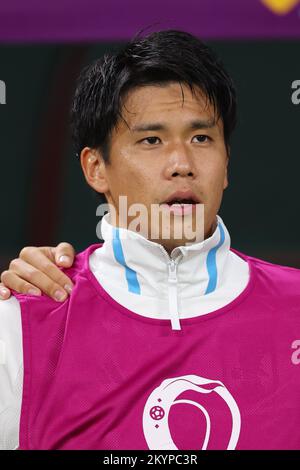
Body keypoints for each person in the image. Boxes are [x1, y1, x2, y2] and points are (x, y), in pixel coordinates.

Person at [1, 29, 300, 451]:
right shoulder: (21, 322)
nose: (182, 164)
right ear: (95, 168)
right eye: (151, 140)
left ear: (227, 164)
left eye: (201, 138)